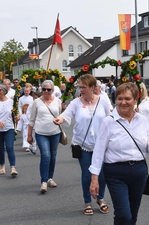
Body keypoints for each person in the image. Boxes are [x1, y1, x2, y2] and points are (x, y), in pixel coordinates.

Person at [89, 82, 149, 225]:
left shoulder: (142, 120)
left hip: (139, 171)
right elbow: (98, 152)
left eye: (127, 99)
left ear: (136, 100)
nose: (123, 102)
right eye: (119, 98)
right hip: (116, 173)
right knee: (123, 215)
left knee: (133, 214)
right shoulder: (108, 122)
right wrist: (94, 179)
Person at [54, 74, 111, 215]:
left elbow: (112, 116)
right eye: (80, 87)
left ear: (93, 88)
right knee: (87, 174)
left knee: (102, 174)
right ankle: (87, 201)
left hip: (100, 144)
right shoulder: (76, 103)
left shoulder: (102, 100)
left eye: (84, 87)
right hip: (82, 144)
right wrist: (59, 119)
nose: (81, 90)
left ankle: (100, 198)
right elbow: (66, 114)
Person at [28, 80, 63, 193]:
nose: (46, 91)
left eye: (49, 90)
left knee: (53, 156)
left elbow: (61, 116)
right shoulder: (37, 102)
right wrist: (29, 135)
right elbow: (32, 119)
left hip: (55, 132)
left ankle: (50, 178)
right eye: (44, 89)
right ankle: (43, 181)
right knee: (45, 155)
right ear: (41, 90)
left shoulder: (58, 101)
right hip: (41, 133)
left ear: (53, 91)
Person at [0, 84, 18, 177]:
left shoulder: (11, 102)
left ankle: (13, 167)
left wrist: (18, 116)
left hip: (9, 127)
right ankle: (2, 166)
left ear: (4, 91)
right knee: (0, 148)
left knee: (10, 147)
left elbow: (15, 112)